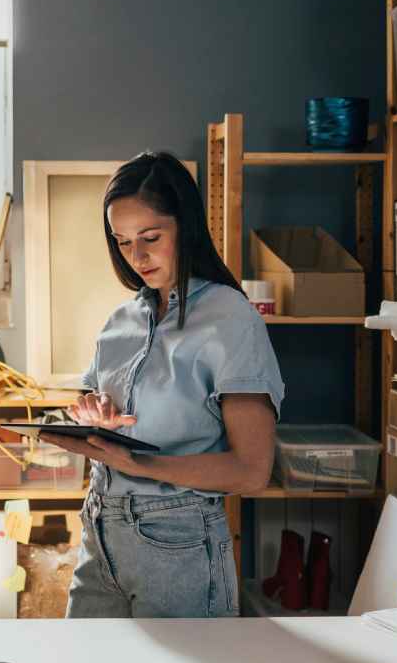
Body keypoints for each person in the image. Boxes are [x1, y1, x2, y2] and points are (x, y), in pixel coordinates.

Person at [38, 151, 284, 618]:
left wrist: (139, 463)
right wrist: (92, 413)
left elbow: (251, 471)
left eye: (151, 238)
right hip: (100, 530)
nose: (137, 256)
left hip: (178, 539)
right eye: (123, 241)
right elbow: (90, 398)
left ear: (185, 227)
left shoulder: (230, 318)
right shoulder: (122, 319)